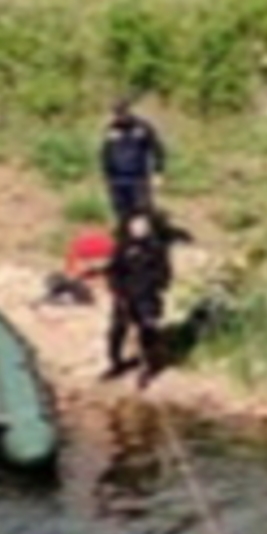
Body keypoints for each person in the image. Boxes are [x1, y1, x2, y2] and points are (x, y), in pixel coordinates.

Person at [104, 210, 174, 388]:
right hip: (124, 296)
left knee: (146, 332)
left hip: (146, 297)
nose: (139, 229)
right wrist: (117, 289)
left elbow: (164, 275)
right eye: (135, 225)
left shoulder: (157, 248)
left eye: (143, 226)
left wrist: (150, 287)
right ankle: (116, 363)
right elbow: (113, 270)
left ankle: (148, 369)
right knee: (117, 331)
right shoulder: (123, 246)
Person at [100, 96, 166, 221]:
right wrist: (106, 176)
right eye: (116, 113)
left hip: (138, 178)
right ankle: (126, 238)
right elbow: (104, 155)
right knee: (122, 214)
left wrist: (158, 172)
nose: (119, 116)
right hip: (117, 179)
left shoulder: (143, 127)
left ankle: (147, 239)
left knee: (140, 214)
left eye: (121, 112)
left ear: (128, 110)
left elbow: (158, 149)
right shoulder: (111, 129)